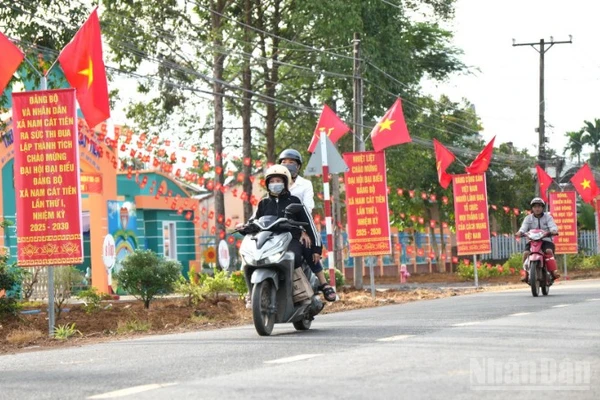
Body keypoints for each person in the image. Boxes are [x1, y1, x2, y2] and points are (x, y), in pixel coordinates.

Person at [247, 164, 336, 302]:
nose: (275, 184)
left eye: (278, 181)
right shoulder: (263, 203)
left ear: (285, 182)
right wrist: (245, 226)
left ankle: (322, 284)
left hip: (291, 238)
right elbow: (254, 220)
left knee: (299, 252)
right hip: (269, 240)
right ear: (267, 184)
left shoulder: (294, 201)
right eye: (272, 181)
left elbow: (309, 223)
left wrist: (317, 248)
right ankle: (252, 292)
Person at [515, 197, 560, 282]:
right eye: (535, 206)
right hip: (532, 241)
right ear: (532, 208)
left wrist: (553, 231)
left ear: (542, 207)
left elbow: (552, 226)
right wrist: (520, 232)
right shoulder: (528, 218)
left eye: (539, 206)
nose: (537, 209)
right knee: (525, 253)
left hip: (546, 240)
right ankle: (526, 274)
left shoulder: (548, 217)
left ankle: (553, 271)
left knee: (549, 251)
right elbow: (523, 228)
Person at [278, 149, 315, 214]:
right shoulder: (275, 183)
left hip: (297, 218)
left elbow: (308, 208)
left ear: (298, 166)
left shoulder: (306, 184)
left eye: (291, 162)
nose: (287, 165)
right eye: (284, 162)